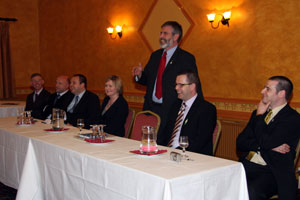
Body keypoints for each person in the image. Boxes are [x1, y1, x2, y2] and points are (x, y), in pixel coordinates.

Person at [132, 21, 203, 143]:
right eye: (161, 33)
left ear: (175, 37)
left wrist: (199, 109)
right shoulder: (155, 56)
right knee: (147, 144)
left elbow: (193, 84)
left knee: (164, 146)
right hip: (151, 108)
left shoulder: (185, 58)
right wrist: (139, 75)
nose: (161, 36)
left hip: (171, 110)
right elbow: (148, 80)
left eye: (165, 33)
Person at [236, 76, 300, 200]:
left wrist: (259, 117)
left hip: (271, 171)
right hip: (247, 165)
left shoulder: (292, 118)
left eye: (267, 89)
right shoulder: (258, 113)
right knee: (221, 181)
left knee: (251, 191)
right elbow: (240, 142)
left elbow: (266, 141)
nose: (262, 91)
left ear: (281, 93)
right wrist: (263, 145)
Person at [161, 71, 216, 155]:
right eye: (176, 84)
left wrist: (175, 152)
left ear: (192, 87)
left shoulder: (207, 109)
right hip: (168, 153)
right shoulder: (175, 106)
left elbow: (200, 141)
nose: (176, 88)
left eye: (181, 85)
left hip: (191, 156)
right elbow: (164, 132)